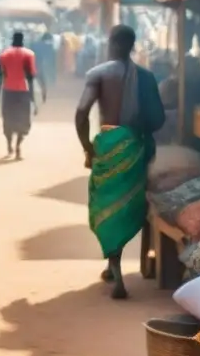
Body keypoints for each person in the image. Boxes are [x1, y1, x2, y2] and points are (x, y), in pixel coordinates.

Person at [75, 24, 165, 299]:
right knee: (128, 206)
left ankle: (116, 272)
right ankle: (114, 266)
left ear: (111, 43)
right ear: (132, 45)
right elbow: (159, 118)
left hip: (108, 146)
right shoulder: (146, 77)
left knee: (105, 206)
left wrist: (88, 148)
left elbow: (81, 113)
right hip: (136, 149)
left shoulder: (99, 74)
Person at [0, 31, 37, 159]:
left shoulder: (3, 55)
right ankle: (18, 146)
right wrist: (33, 98)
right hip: (23, 92)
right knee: (22, 120)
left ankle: (9, 145)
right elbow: (30, 78)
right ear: (23, 40)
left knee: (8, 119)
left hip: (8, 92)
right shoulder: (29, 55)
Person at [33, 33, 56, 102]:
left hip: (34, 65)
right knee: (43, 83)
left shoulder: (34, 44)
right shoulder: (48, 46)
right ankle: (43, 97)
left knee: (33, 82)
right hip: (40, 66)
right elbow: (51, 60)